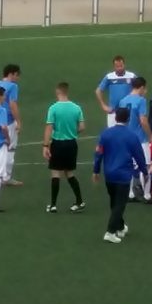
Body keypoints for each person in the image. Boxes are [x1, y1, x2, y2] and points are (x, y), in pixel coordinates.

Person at [92, 107, 148, 244]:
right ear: (128, 119)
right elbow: (139, 156)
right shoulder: (131, 136)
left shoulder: (106, 134)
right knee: (120, 204)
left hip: (109, 174)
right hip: (123, 175)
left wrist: (96, 170)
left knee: (114, 201)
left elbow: (98, 153)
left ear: (116, 117)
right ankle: (110, 232)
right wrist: (144, 172)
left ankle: (120, 227)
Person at [42, 82, 86, 213]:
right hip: (71, 144)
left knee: (55, 173)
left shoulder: (53, 108)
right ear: (67, 92)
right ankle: (79, 201)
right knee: (70, 173)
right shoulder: (76, 108)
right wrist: (72, 132)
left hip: (57, 143)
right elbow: (82, 127)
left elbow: (49, 128)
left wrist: (45, 145)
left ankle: (53, 205)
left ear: (57, 92)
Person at [118, 77, 152, 203]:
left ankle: (130, 194)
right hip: (140, 138)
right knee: (146, 166)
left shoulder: (123, 101)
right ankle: (147, 195)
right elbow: (143, 120)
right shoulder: (141, 100)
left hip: (126, 138)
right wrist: (150, 136)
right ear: (142, 87)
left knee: (129, 166)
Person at [0, 64, 23, 186]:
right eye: (17, 75)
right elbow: (13, 104)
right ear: (11, 74)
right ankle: (6, 177)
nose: (18, 78)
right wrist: (18, 121)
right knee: (10, 149)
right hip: (9, 121)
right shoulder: (12, 86)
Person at [95, 55, 136, 127]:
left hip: (128, 111)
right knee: (113, 134)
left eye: (121, 66)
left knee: (127, 134)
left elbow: (139, 89)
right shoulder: (109, 77)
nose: (119, 68)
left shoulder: (132, 76)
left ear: (124, 65)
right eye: (117, 66)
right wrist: (103, 105)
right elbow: (98, 91)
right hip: (113, 112)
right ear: (114, 67)